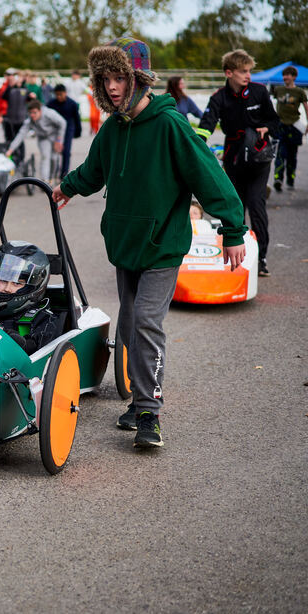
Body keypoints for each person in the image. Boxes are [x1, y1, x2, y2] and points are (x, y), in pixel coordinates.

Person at [51, 36, 247, 449]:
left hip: (162, 246)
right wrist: (67, 187)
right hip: (126, 244)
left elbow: (210, 178)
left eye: (119, 77)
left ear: (138, 78)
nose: (112, 87)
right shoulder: (113, 127)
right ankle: (136, 400)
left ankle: (148, 412)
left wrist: (232, 229)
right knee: (128, 324)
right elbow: (94, 169)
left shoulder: (170, 125)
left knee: (145, 322)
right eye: (104, 78)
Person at [198, 49, 280, 277]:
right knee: (235, 209)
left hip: (258, 159)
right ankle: (238, 258)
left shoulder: (259, 92)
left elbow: (275, 121)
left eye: (249, 71)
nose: (248, 76)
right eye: (243, 72)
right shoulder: (218, 98)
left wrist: (267, 128)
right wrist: (197, 144)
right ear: (229, 72)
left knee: (256, 205)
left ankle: (261, 258)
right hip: (233, 159)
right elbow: (206, 124)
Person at [0, 241, 65, 354]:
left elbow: (35, 352)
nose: (7, 289)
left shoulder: (45, 320)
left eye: (17, 283)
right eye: (3, 280)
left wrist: (18, 342)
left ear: (33, 286)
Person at [4, 100, 66, 183]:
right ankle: (45, 181)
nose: (32, 115)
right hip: (43, 138)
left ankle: (51, 177)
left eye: (34, 112)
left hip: (55, 136)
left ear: (40, 111)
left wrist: (59, 140)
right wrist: (11, 149)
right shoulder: (29, 121)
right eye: (30, 113)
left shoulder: (49, 114)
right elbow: (21, 135)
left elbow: (62, 123)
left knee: (53, 159)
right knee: (45, 156)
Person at [272, 66, 308, 192]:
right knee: (280, 154)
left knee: (292, 155)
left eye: (288, 75)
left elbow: (305, 107)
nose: (285, 77)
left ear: (293, 77)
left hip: (294, 126)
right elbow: (271, 103)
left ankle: (290, 180)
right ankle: (278, 179)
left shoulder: (299, 92)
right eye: (284, 75)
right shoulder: (278, 90)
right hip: (281, 126)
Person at [45, 84, 82, 176]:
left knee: (66, 152)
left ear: (65, 93)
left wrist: (78, 131)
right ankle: (54, 171)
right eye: (56, 94)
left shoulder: (72, 104)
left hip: (68, 130)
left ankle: (64, 173)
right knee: (54, 151)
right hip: (55, 130)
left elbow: (77, 119)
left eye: (60, 94)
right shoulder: (51, 104)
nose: (58, 97)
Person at [1, 70, 29, 159]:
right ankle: (10, 157)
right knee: (9, 139)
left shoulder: (25, 89)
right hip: (10, 119)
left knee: (19, 140)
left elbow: (30, 99)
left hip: (20, 119)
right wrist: (10, 86)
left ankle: (21, 159)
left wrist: (32, 96)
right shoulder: (10, 89)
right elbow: (3, 96)